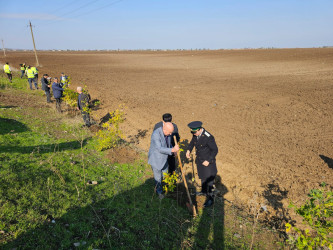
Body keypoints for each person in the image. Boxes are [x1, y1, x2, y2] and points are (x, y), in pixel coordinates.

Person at [186, 121, 218, 207]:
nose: (194, 134)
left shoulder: (208, 137)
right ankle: (203, 192)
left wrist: (208, 160)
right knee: (203, 177)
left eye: (195, 132)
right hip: (200, 161)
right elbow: (192, 142)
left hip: (208, 163)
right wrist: (189, 150)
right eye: (192, 132)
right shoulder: (196, 134)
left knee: (209, 181)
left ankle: (210, 199)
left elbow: (215, 150)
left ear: (200, 129)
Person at [148, 122, 179, 199]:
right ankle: (159, 192)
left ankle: (166, 189)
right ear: (164, 129)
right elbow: (159, 148)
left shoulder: (167, 133)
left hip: (164, 159)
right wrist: (172, 149)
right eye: (170, 132)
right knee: (158, 178)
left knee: (166, 175)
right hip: (156, 160)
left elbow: (168, 144)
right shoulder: (156, 134)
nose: (171, 134)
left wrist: (173, 150)